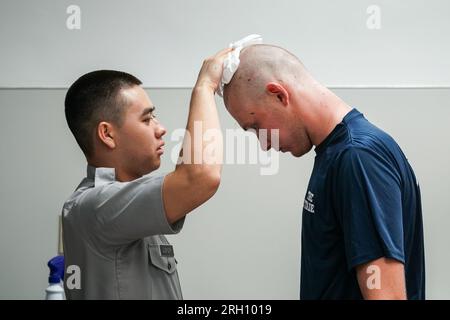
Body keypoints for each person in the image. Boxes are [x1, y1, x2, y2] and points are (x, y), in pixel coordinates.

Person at [222, 44, 425, 300]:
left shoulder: (358, 159)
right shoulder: (337, 154)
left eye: (256, 127)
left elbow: (387, 297)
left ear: (279, 95)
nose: (263, 144)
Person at [62, 48, 230, 299]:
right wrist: (204, 86)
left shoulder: (124, 205)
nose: (161, 129)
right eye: (146, 119)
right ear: (107, 134)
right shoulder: (95, 207)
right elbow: (200, 176)